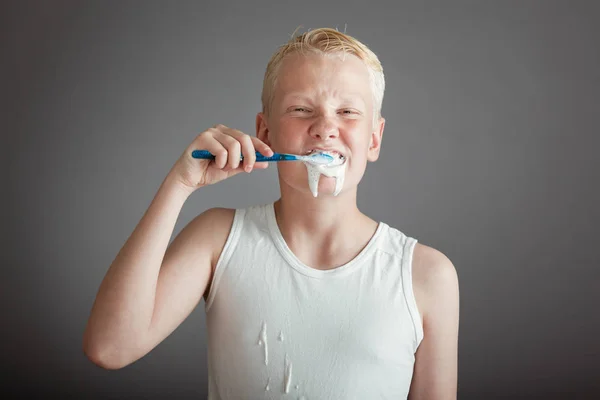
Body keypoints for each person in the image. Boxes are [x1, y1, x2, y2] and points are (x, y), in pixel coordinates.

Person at [83, 27, 460, 399]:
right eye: (300, 109)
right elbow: (110, 347)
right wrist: (179, 185)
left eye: (347, 112)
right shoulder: (218, 240)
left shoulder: (427, 276)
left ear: (374, 139)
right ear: (265, 131)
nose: (326, 128)